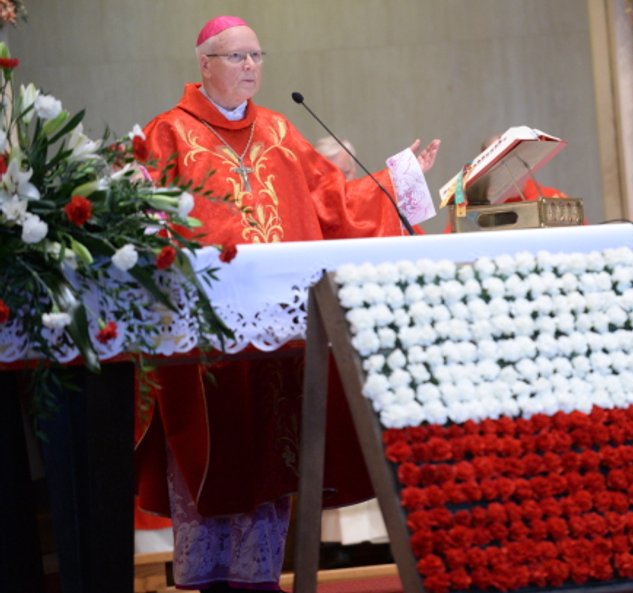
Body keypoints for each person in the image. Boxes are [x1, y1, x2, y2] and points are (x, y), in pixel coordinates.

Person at [134, 16, 440, 593]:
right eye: (237, 57)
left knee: (271, 449)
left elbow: (337, 205)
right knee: (212, 450)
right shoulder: (167, 135)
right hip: (205, 342)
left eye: (256, 55)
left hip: (279, 337)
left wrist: (400, 183)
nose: (251, 66)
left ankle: (258, 578)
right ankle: (204, 579)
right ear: (205, 64)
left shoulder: (278, 131)